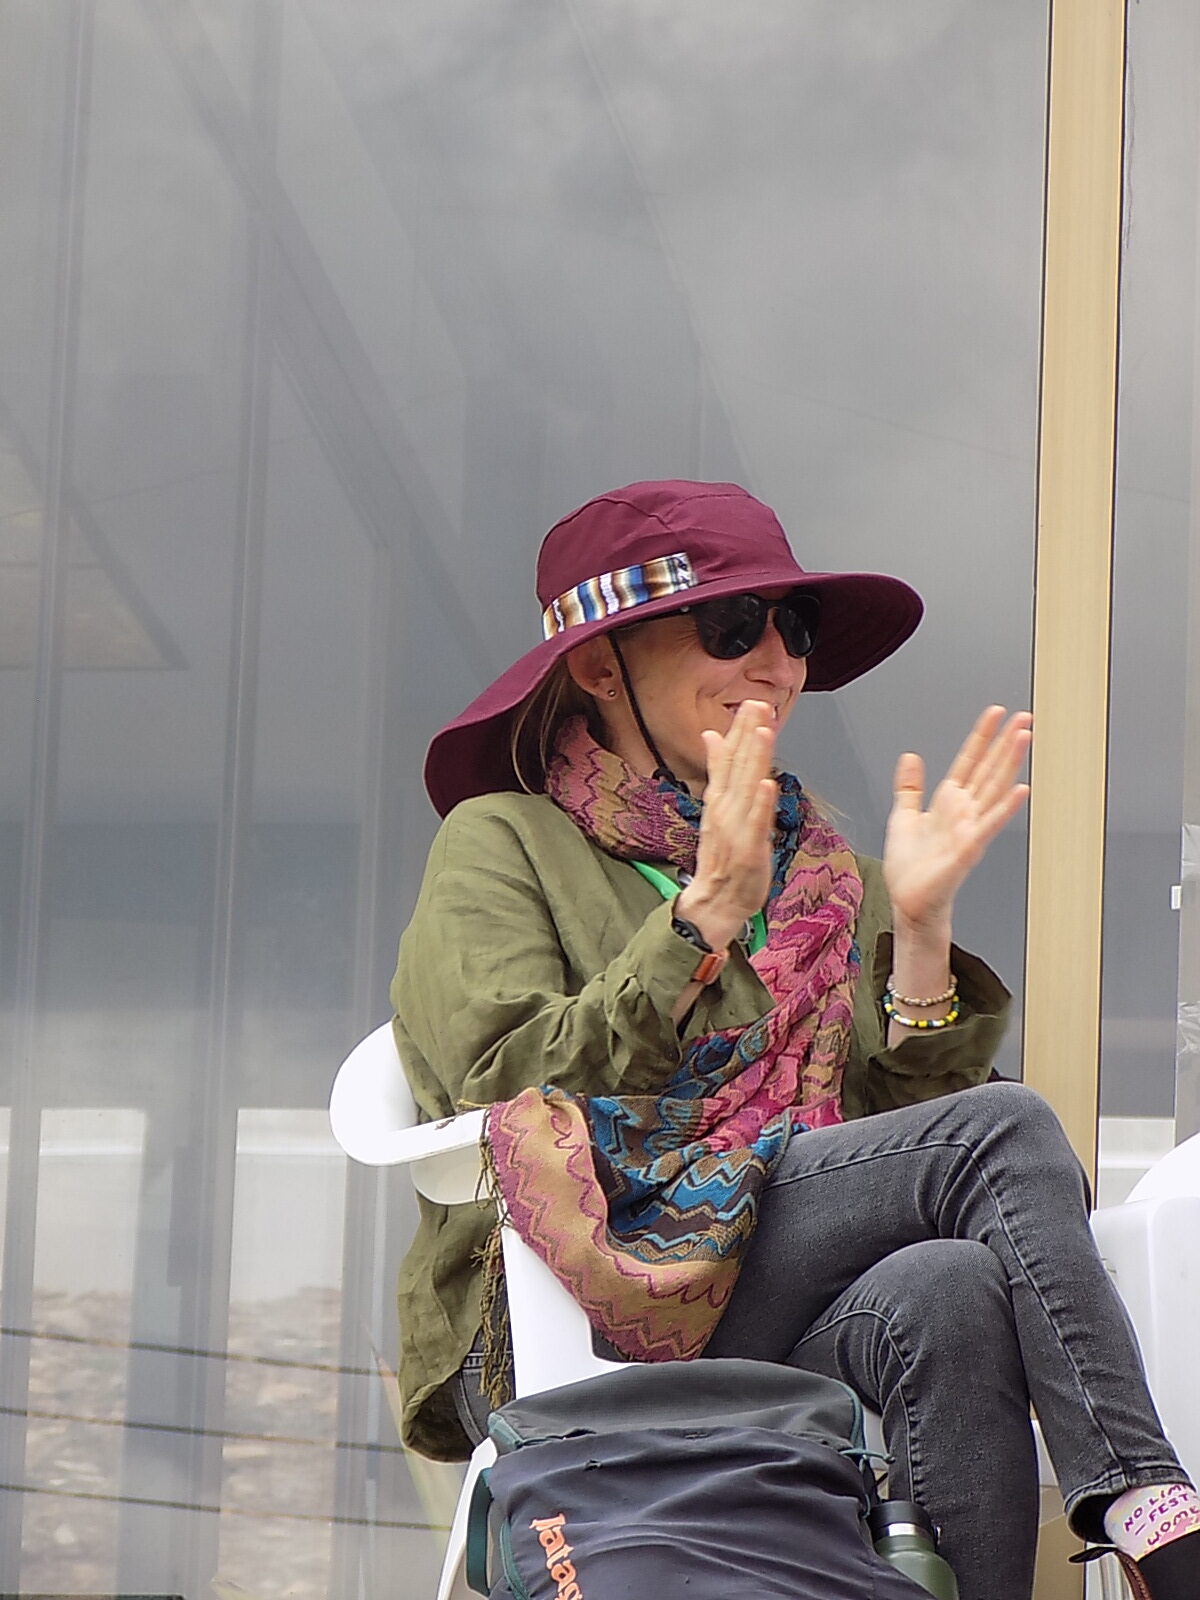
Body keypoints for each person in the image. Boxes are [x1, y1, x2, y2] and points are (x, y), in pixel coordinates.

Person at [391, 479, 1199, 1600]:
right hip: (586, 1286)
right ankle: (1153, 1514)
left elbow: (903, 1158)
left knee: (952, 1285)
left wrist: (920, 938)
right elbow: (500, 1085)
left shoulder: (826, 880)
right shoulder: (502, 841)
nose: (775, 661)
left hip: (768, 1299)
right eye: (732, 625)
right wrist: (696, 926)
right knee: (1003, 1128)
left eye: (795, 626)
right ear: (599, 666)